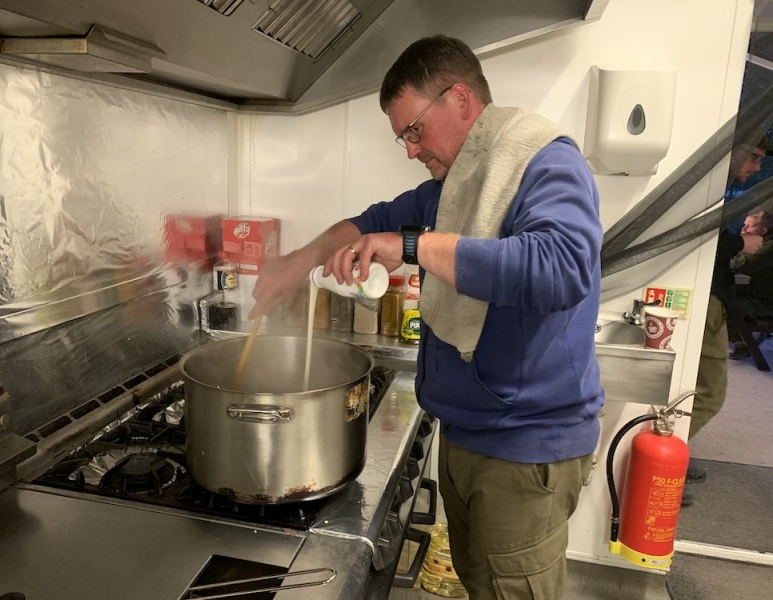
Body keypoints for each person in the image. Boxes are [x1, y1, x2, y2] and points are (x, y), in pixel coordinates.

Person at [250, 35, 603, 599]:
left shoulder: (543, 160)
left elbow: (559, 268)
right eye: (402, 139)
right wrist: (296, 263)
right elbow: (373, 221)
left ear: (459, 98)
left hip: (525, 447)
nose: (410, 150)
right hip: (470, 433)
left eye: (413, 130)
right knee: (480, 584)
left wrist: (411, 247)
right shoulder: (454, 186)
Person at [687, 144, 767, 492]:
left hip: (705, 298)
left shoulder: (707, 187)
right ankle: (658, 462)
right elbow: (692, 238)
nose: (757, 166)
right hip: (709, 304)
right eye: (754, 157)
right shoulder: (710, 191)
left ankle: (669, 454)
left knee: (686, 389)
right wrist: (741, 245)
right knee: (710, 393)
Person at [728, 209, 773, 359]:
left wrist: (721, 262)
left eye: (750, 226)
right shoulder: (757, 242)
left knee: (723, 299)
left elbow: (744, 264)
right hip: (756, 292)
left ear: (763, 230)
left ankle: (746, 340)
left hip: (765, 301)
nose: (744, 229)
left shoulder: (769, 247)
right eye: (744, 225)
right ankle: (742, 339)